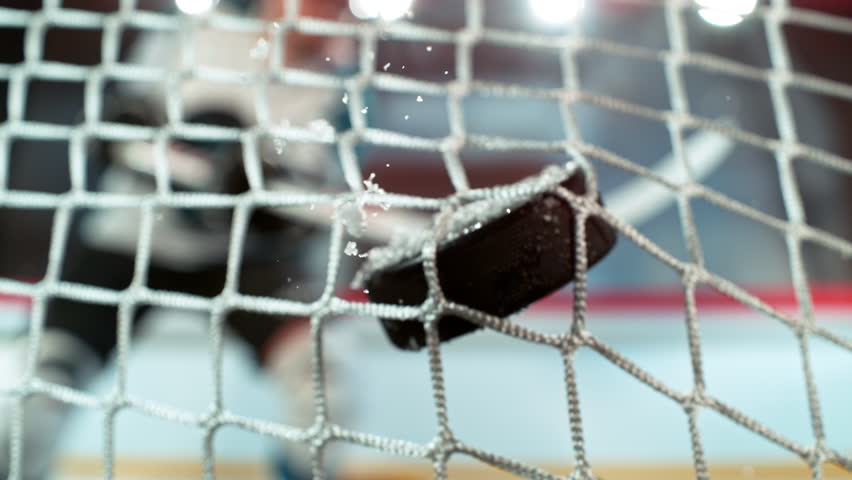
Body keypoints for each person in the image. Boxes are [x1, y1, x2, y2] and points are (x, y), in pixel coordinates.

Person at [0, 0, 358, 478]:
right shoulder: (196, 34)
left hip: (244, 259)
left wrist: (267, 197)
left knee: (325, 393)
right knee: (39, 391)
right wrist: (184, 162)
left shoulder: (342, 83)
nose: (328, 11)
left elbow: (316, 197)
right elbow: (117, 124)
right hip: (131, 239)